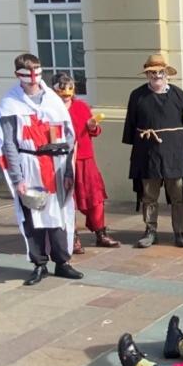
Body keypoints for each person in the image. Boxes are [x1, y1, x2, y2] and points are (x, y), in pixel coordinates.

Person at [0, 53, 84, 286]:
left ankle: (62, 262)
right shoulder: (10, 104)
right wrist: (17, 178)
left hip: (55, 165)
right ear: (18, 75)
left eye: (36, 73)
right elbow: (9, 143)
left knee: (58, 215)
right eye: (27, 74)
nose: (33, 79)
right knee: (33, 217)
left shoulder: (53, 100)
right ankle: (39, 264)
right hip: (29, 165)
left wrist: (69, 172)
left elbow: (69, 138)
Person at [122, 54, 183, 249]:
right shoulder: (137, 96)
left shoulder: (179, 96)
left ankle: (180, 232)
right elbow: (131, 125)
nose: (156, 76)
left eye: (160, 72)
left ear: (166, 74)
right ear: (147, 75)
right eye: (152, 73)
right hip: (148, 154)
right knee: (149, 195)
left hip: (174, 154)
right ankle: (150, 231)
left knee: (178, 195)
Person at [51, 72, 120, 253]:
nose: (66, 93)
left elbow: (94, 131)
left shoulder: (81, 106)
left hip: (85, 159)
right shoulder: (50, 110)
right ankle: (72, 237)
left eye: (70, 88)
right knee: (68, 201)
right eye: (62, 89)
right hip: (62, 161)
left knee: (95, 198)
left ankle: (100, 233)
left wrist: (93, 126)